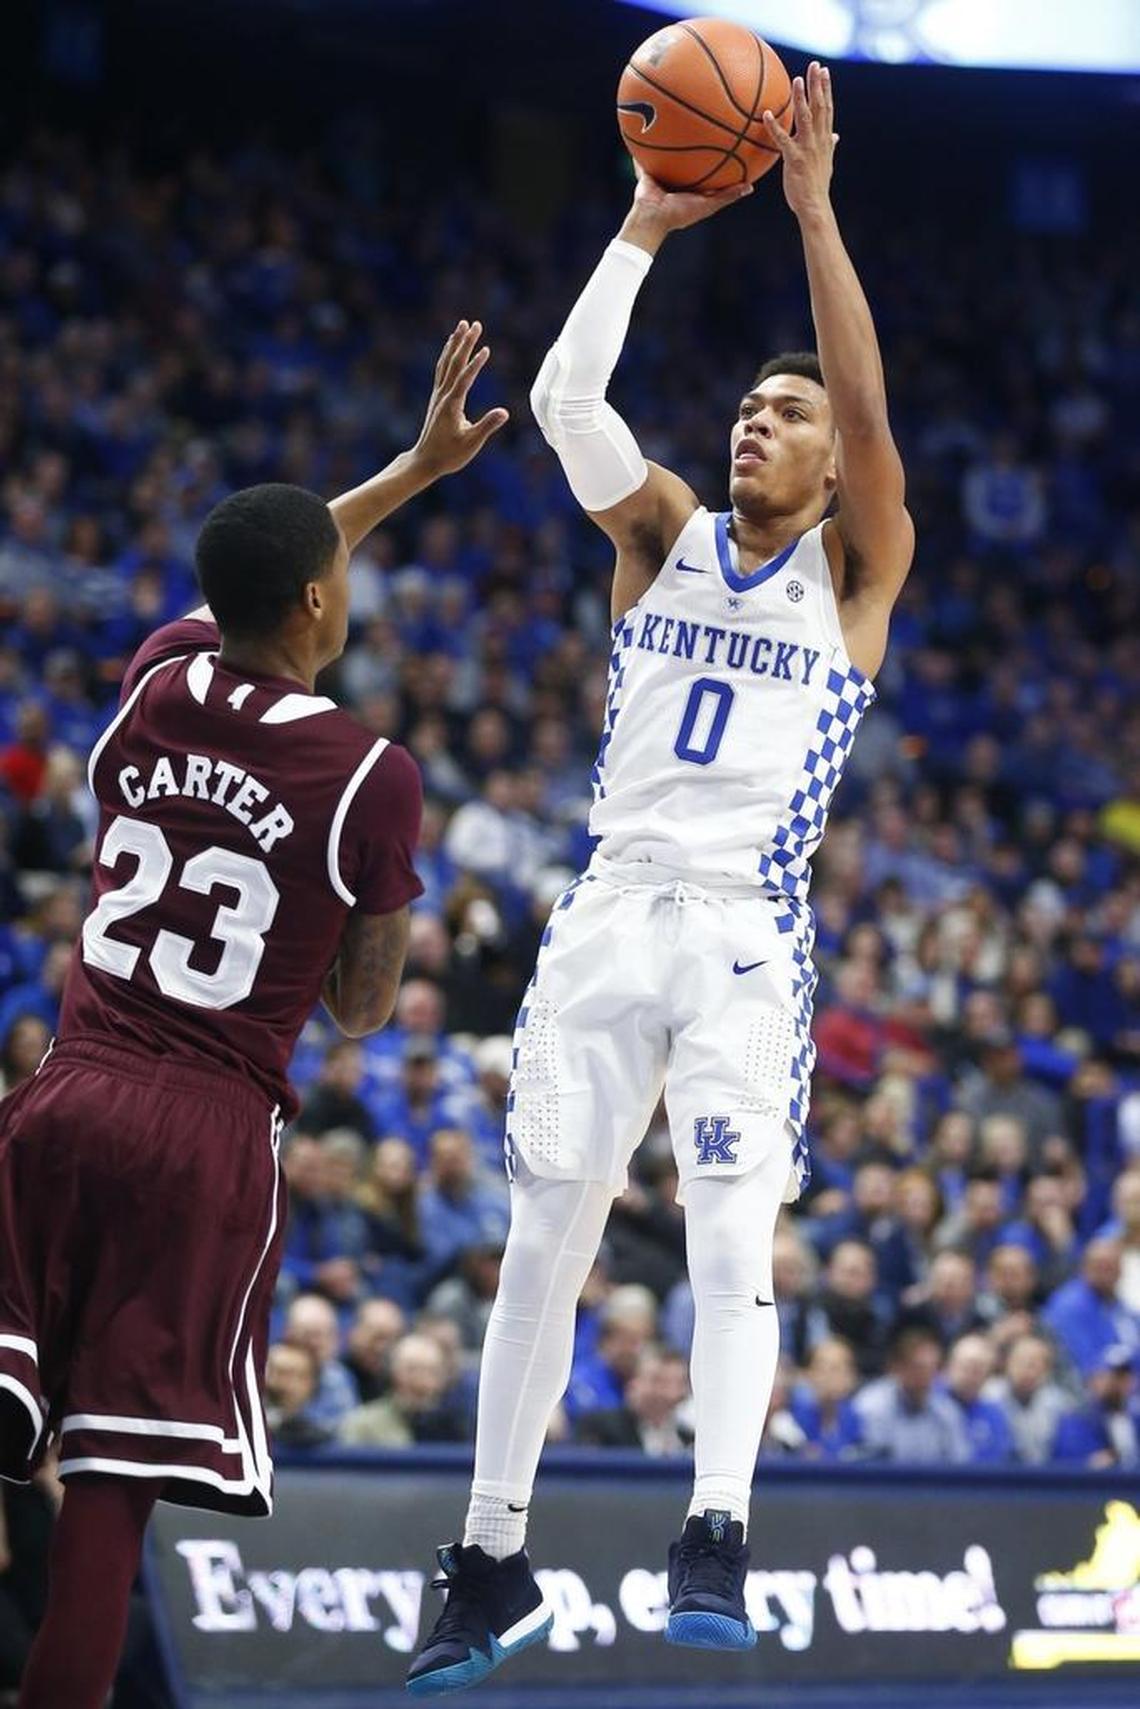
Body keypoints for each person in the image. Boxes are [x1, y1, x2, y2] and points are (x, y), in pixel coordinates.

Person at [409, 64, 916, 1690]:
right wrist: (637, 228)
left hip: (744, 946)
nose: (756, 420)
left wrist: (814, 217)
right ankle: (488, 1553)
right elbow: (565, 409)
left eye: (788, 416)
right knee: (542, 1230)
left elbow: (867, 405)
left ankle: (715, 1523)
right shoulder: (663, 532)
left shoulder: (856, 565)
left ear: (834, 469)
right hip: (605, 915)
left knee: (724, 1240)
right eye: (748, 407)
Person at [0, 320, 507, 1709]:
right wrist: (363, 904)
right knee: (109, 1482)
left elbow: (254, 565)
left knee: (13, 1377)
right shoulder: (374, 774)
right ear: (317, 607)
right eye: (339, 578)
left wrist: (405, 469)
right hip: (203, 1135)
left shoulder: (155, 682)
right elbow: (358, 1008)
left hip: (61, 1087)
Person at [574, 1347, 692, 1455]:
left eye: (680, 1383)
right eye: (658, 1381)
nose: (670, 1393)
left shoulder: (690, 1439)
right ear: (633, 1382)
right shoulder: (599, 1429)